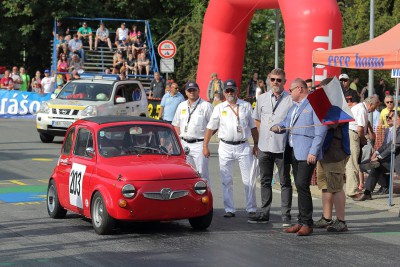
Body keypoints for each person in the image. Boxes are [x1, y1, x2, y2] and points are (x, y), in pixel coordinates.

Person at [271, 78, 327, 236]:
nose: (289, 93)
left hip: (306, 153)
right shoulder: (293, 107)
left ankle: (307, 223)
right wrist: (278, 126)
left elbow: (321, 130)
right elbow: (286, 122)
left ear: (300, 89)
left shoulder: (313, 105)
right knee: (299, 186)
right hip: (293, 151)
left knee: (302, 185)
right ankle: (301, 221)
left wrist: (313, 151)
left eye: (291, 90)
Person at [203, 79, 259, 219]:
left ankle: (251, 208)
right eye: (227, 91)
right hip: (225, 146)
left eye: (232, 90)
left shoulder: (245, 106)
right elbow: (210, 128)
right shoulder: (219, 108)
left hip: (243, 145)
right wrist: (205, 146)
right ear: (224, 92)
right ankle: (229, 208)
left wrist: (257, 144)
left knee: (249, 179)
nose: (229, 93)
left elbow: (253, 127)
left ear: (237, 91)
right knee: (226, 179)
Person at [250, 68, 293, 226]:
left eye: (279, 80)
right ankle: (264, 213)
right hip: (264, 145)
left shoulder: (290, 100)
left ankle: (286, 215)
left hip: (281, 147)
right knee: (265, 180)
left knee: (284, 182)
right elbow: (257, 120)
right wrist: (258, 140)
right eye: (273, 79)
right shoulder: (261, 99)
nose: (275, 82)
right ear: (268, 80)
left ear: (284, 82)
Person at [313, 78, 350, 232]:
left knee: (336, 187)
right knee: (325, 186)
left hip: (336, 152)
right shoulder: (330, 105)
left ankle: (341, 221)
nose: (320, 92)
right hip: (326, 151)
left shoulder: (339, 107)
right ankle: (327, 217)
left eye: (323, 90)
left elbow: (330, 123)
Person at [172, 81, 213, 185]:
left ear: (198, 91)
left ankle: (206, 198)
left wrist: (206, 142)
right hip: (184, 143)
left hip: (199, 144)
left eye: (194, 90)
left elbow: (213, 126)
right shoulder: (181, 106)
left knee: (202, 174)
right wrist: (178, 142)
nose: (192, 92)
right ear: (186, 92)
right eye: (189, 90)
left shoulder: (206, 106)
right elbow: (176, 124)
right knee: (185, 174)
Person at [355, 110, 400, 201]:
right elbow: (387, 145)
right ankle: (368, 192)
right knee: (374, 166)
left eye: (391, 117)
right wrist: (376, 153)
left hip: (396, 161)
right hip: (390, 160)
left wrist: (379, 157)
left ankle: (383, 186)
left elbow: (395, 145)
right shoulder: (391, 130)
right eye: (387, 117)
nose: (388, 119)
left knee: (376, 164)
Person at [345, 95, 379, 199]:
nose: (374, 109)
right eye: (375, 106)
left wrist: (368, 128)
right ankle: (353, 191)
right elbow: (360, 128)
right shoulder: (361, 109)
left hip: (353, 134)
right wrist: (363, 139)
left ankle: (352, 189)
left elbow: (364, 123)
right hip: (354, 134)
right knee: (353, 163)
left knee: (353, 162)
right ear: (371, 104)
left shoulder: (361, 108)